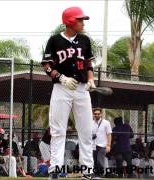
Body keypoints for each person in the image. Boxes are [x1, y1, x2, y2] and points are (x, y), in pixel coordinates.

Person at [41, 6, 96, 180]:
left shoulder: (85, 40)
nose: (83, 22)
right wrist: (61, 78)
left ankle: (87, 172)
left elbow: (88, 64)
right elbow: (47, 65)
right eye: (80, 20)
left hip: (81, 89)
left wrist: (90, 80)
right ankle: (55, 171)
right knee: (58, 131)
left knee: (86, 131)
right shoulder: (55, 40)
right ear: (70, 22)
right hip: (62, 88)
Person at [92, 108, 112, 178]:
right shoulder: (91, 123)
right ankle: (96, 175)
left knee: (99, 160)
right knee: (94, 161)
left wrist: (108, 145)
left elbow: (109, 134)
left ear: (101, 114)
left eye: (98, 114)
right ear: (93, 114)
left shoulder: (106, 123)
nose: (97, 115)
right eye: (95, 114)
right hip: (93, 145)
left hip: (102, 145)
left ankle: (100, 175)